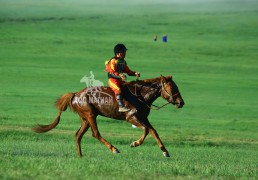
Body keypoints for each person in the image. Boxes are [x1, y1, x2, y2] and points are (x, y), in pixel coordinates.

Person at [105, 43, 140, 112]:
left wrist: (134, 73)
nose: (125, 53)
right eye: (123, 52)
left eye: (125, 52)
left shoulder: (123, 62)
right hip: (112, 80)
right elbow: (112, 72)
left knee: (129, 88)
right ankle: (121, 106)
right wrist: (120, 75)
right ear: (118, 53)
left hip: (120, 80)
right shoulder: (113, 61)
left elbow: (128, 71)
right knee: (118, 89)